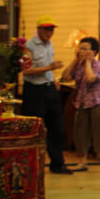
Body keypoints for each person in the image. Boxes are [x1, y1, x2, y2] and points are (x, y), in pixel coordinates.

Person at [23, 15, 72, 174]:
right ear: (38, 29)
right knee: (35, 129)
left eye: (51, 29)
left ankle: (57, 163)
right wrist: (50, 68)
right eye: (45, 29)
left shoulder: (49, 45)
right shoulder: (29, 46)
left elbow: (48, 68)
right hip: (34, 90)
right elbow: (27, 70)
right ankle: (31, 164)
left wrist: (53, 79)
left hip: (49, 89)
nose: (49, 32)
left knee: (57, 128)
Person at [64, 37, 100, 173]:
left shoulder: (99, 65)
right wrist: (75, 61)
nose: (81, 51)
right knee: (80, 132)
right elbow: (65, 76)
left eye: (84, 49)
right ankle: (82, 162)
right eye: (80, 48)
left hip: (98, 101)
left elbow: (90, 78)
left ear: (93, 52)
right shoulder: (78, 64)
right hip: (82, 102)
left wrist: (87, 62)